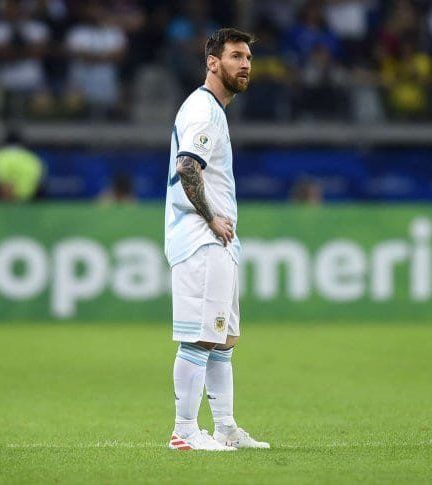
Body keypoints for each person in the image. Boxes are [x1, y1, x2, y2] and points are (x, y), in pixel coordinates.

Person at [164, 28, 269, 452]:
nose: (245, 64)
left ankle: (224, 427)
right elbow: (188, 166)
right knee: (201, 337)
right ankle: (184, 431)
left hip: (217, 242)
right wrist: (212, 218)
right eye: (236, 56)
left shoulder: (213, 110)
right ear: (213, 62)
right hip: (201, 239)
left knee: (223, 339)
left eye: (248, 58)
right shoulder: (203, 110)